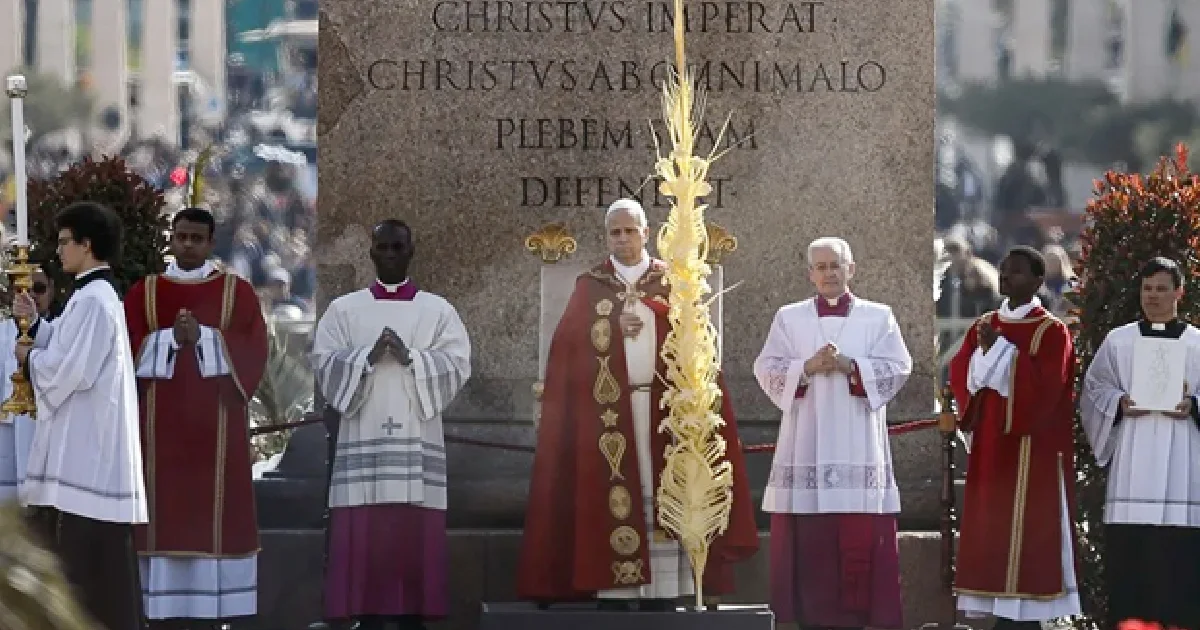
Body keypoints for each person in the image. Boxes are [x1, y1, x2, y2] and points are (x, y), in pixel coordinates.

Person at [517, 198, 759, 609]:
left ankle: (665, 591)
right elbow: (566, 349)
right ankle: (613, 589)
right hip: (609, 416)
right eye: (615, 231)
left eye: (631, 230)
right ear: (606, 236)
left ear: (647, 233)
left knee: (666, 493)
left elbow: (697, 344)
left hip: (666, 412)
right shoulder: (591, 285)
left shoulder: (673, 282)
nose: (623, 238)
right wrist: (609, 328)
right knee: (613, 494)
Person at [311, 219, 471, 630]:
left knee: (411, 533)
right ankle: (365, 614)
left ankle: (413, 615)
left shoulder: (438, 311)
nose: (389, 255)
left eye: (397, 247)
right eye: (382, 247)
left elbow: (457, 363)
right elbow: (324, 362)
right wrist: (364, 357)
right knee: (366, 531)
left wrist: (411, 358)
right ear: (371, 252)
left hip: (416, 440)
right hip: (363, 434)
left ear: (411, 251)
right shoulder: (344, 310)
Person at [752, 236, 912, 630]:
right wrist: (806, 367)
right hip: (806, 440)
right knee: (813, 548)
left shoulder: (878, 317)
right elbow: (766, 367)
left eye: (836, 265)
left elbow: (898, 367)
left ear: (851, 269)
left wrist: (850, 367)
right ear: (810, 274)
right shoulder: (790, 318)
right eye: (821, 267)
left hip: (859, 444)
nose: (829, 273)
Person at [123, 207, 269, 628]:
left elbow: (254, 349)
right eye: (181, 236)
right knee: (161, 521)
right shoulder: (145, 292)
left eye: (196, 238)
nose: (187, 245)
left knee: (213, 523)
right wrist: (170, 340)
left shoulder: (236, 293)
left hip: (216, 433)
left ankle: (211, 618)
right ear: (171, 238)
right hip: (159, 439)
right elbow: (124, 349)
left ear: (211, 243)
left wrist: (203, 338)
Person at [13, 200, 148, 630]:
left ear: (87, 245)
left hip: (91, 464)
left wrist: (30, 361)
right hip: (90, 462)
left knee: (95, 581)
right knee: (100, 578)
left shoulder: (94, 300)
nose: (59, 250)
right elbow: (69, 348)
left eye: (65, 241)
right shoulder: (90, 296)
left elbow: (73, 371)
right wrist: (37, 327)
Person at [948, 246, 1079, 629]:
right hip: (990, 446)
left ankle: (1027, 620)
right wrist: (987, 357)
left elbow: (1047, 390)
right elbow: (961, 373)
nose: (1006, 277)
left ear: (1038, 281)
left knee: (1028, 533)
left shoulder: (1051, 331)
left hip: (1031, 450)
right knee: (991, 530)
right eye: (1004, 270)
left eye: (1017, 272)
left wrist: (1001, 350)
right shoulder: (985, 323)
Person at [1081, 257, 1200, 630]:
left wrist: (1194, 405)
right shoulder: (1120, 341)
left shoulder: (1197, 343)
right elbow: (1094, 388)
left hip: (1183, 462)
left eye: (1162, 289)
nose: (1153, 296)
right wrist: (1119, 402)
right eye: (1147, 288)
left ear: (1179, 292)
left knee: (1179, 563)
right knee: (1133, 562)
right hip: (1133, 466)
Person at [0, 268, 54, 501]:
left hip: (46, 428)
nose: (31, 296)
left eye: (39, 289)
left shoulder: (61, 330)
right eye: (23, 290)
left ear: (52, 289)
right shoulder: (2, 331)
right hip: (6, 432)